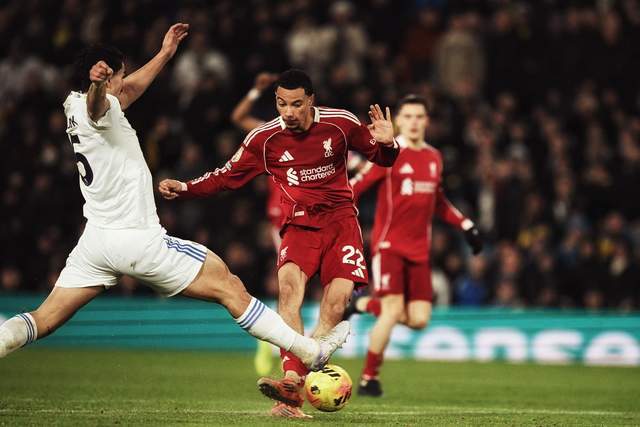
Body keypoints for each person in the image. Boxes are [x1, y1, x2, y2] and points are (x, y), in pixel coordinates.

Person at [0, 26, 350, 376]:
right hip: (137, 240)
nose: (124, 83)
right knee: (230, 288)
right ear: (106, 80)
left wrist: (165, 54)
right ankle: (310, 351)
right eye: (120, 76)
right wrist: (98, 86)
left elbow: (123, 92)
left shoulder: (71, 105)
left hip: (95, 242)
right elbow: (99, 105)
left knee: (43, 319)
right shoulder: (97, 106)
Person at [159, 69, 399, 418]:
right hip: (298, 224)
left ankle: (294, 385)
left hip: (341, 223)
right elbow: (227, 176)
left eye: (297, 104)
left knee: (336, 303)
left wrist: (389, 144)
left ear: (311, 100)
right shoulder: (264, 138)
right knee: (288, 290)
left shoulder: (341, 124)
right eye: (282, 104)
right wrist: (186, 188)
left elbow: (383, 159)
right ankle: (290, 383)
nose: (289, 112)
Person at [344, 94, 482, 397]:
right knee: (393, 310)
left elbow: (438, 201)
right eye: (407, 116)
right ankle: (369, 379)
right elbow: (355, 186)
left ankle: (363, 304)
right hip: (389, 245)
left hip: (420, 250)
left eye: (419, 116)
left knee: (419, 320)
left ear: (427, 120)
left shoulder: (434, 157)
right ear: (398, 120)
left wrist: (465, 225)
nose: (414, 122)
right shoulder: (390, 153)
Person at [230, 72, 281, 377]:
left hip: (320, 217)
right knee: (290, 285)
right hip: (285, 217)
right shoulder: (270, 132)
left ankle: (285, 342)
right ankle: (271, 342)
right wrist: (254, 91)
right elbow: (238, 118)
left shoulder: (323, 135)